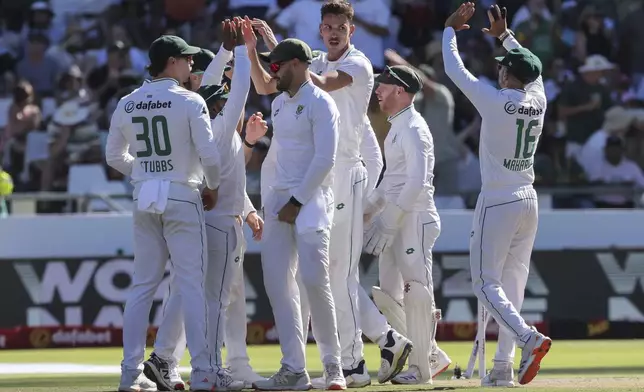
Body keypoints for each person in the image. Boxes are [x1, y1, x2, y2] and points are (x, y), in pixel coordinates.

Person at [252, 3, 411, 384]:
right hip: (321, 177)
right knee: (325, 274)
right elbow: (290, 75)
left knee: (336, 272)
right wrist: (274, 47)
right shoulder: (317, 60)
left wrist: (286, 55)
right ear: (321, 31)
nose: (334, 32)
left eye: (341, 26)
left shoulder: (356, 64)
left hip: (342, 176)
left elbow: (315, 82)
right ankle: (380, 343)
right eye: (328, 27)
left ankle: (357, 360)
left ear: (351, 30)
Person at [142, 20, 267, 390]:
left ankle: (168, 360)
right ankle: (209, 369)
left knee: (192, 293)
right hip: (219, 222)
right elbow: (238, 88)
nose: (225, 92)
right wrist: (243, 51)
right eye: (222, 93)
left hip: (199, 218)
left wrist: (228, 52)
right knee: (214, 300)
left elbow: (215, 85)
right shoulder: (220, 124)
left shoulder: (192, 120)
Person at [442, 3, 552, 387]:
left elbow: (454, 71)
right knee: (512, 284)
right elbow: (533, 64)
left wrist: (449, 31)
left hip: (499, 198)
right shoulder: (538, 99)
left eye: (503, 65)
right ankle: (503, 367)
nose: (499, 68)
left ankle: (528, 338)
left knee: (485, 284)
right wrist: (505, 35)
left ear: (508, 74)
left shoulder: (495, 100)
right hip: (528, 198)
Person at [106, 35, 221, 392]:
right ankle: (202, 371)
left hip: (145, 196)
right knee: (191, 286)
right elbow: (211, 157)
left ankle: (130, 374)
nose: (190, 65)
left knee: (142, 287)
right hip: (182, 193)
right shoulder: (189, 100)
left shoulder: (127, 102)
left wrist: (144, 172)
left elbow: (113, 156)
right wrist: (212, 186)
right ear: (171, 61)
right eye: (186, 59)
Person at [246, 33, 345, 390]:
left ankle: (333, 367)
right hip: (278, 201)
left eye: (279, 64)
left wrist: (297, 201)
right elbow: (260, 80)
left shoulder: (321, 102)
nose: (273, 70)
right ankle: (294, 368)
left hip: (312, 201)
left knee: (315, 281)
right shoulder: (279, 104)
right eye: (272, 64)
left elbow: (325, 158)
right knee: (277, 284)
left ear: (299, 65)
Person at [361, 65, 442, 385]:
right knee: (388, 294)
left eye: (384, 85)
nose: (378, 90)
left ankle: (423, 370)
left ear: (401, 90)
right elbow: (392, 180)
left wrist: (391, 221)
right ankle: (430, 353)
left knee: (416, 290)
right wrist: (367, 209)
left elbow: (417, 182)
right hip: (396, 217)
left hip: (416, 218)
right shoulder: (396, 127)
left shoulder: (413, 128)